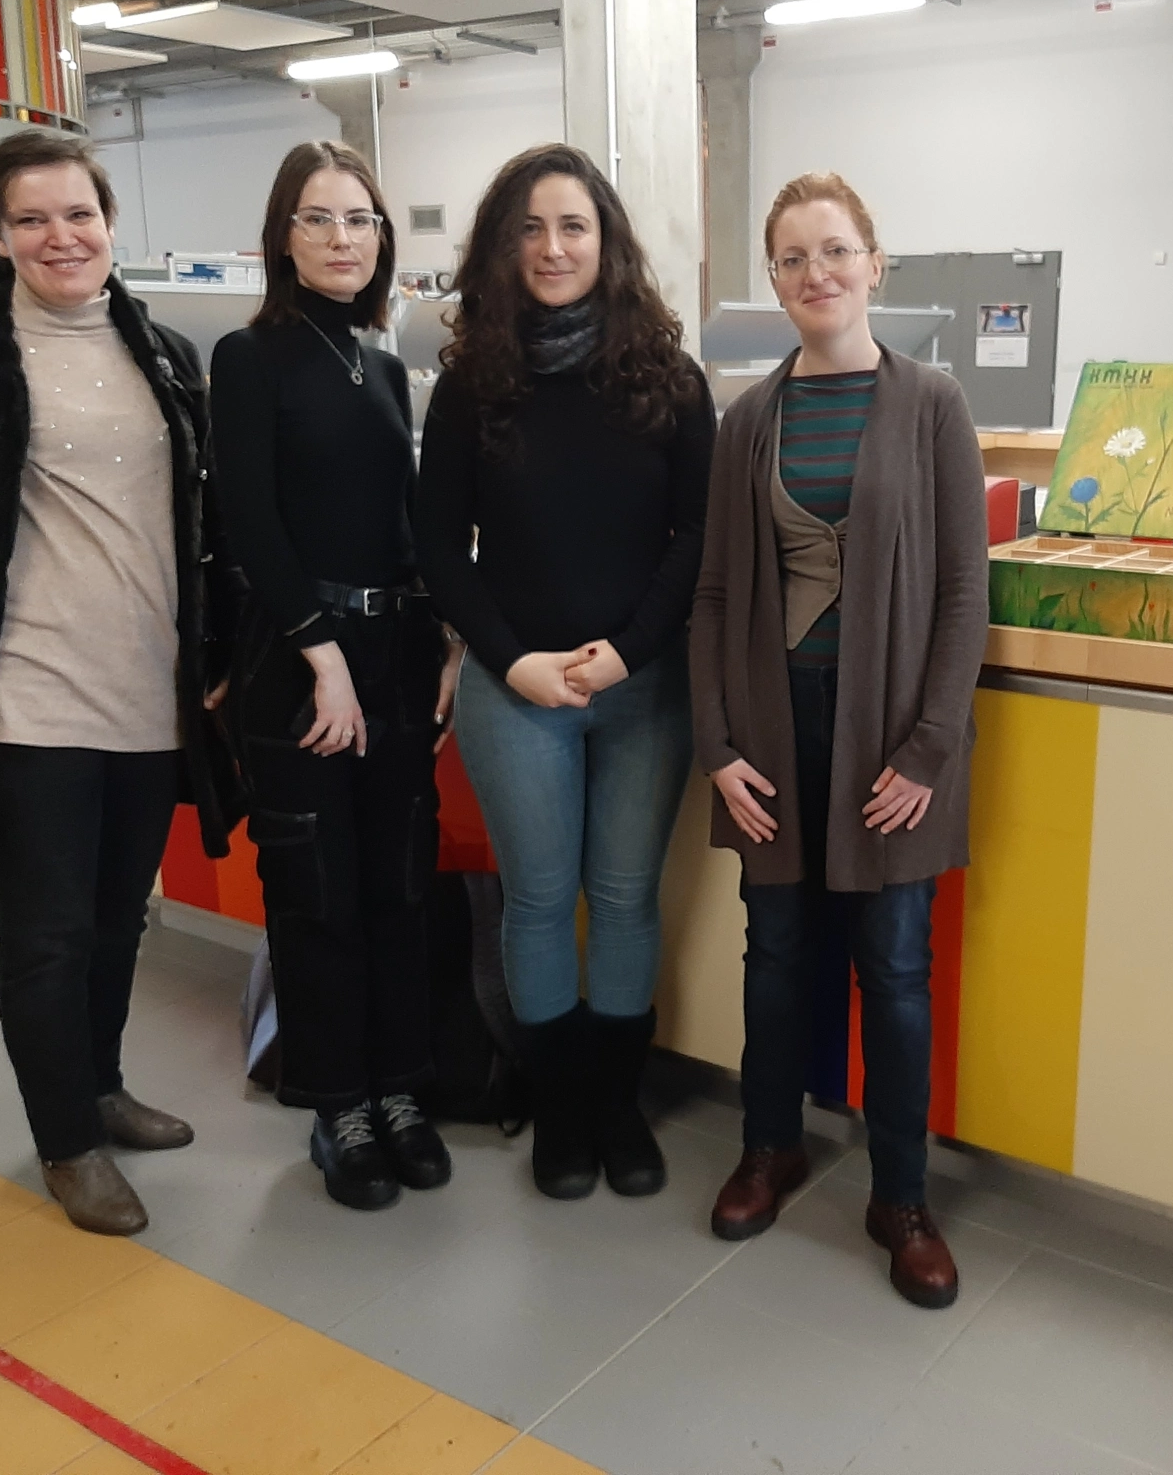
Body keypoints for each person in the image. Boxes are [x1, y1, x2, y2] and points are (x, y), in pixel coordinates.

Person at [0, 130, 238, 1236]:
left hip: (145, 692)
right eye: (31, 219)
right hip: (22, 694)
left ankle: (101, 1086)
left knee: (120, 920)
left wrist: (215, 658)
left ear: (111, 222)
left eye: (78, 214)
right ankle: (67, 1143)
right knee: (46, 934)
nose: (60, 237)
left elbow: (197, 525)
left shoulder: (158, 349)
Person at [689, 173, 989, 1309]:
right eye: (792, 258)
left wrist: (928, 749)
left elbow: (962, 591)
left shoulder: (932, 406)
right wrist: (716, 745)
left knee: (895, 968)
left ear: (873, 262)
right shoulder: (747, 422)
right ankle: (768, 1147)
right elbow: (715, 595)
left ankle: (900, 1198)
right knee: (774, 954)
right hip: (773, 732)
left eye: (834, 250)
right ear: (773, 281)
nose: (815, 273)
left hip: (889, 739)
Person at [417, 144, 714, 1202]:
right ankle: (561, 1111)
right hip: (517, 692)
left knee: (625, 900)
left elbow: (699, 535)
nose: (552, 248)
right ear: (503, 247)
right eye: (530, 229)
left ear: (606, 242)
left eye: (573, 226)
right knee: (539, 905)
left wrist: (627, 651)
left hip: (645, 686)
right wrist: (514, 662)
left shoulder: (669, 380)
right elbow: (439, 548)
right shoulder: (471, 386)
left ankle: (617, 1106)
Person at [211, 141, 454, 1212]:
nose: (342, 238)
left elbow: (402, 526)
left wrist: (445, 638)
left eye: (360, 219)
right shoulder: (249, 356)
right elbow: (250, 525)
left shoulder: (382, 364)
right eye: (318, 218)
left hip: (394, 657)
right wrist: (323, 657)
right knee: (318, 898)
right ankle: (337, 1108)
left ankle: (398, 1091)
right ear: (283, 236)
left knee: (396, 887)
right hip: (302, 664)